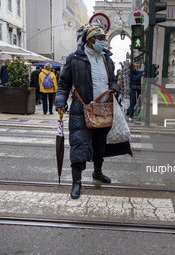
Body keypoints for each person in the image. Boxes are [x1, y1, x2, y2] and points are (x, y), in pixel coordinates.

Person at [55, 24, 132, 199]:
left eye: (104, 39)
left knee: (100, 145)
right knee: (79, 145)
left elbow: (113, 80)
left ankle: (97, 172)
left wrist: (114, 89)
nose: (102, 42)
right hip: (80, 110)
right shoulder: (74, 59)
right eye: (99, 39)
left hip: (103, 109)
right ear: (89, 39)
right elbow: (63, 85)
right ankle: (76, 182)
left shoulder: (107, 60)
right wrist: (60, 102)